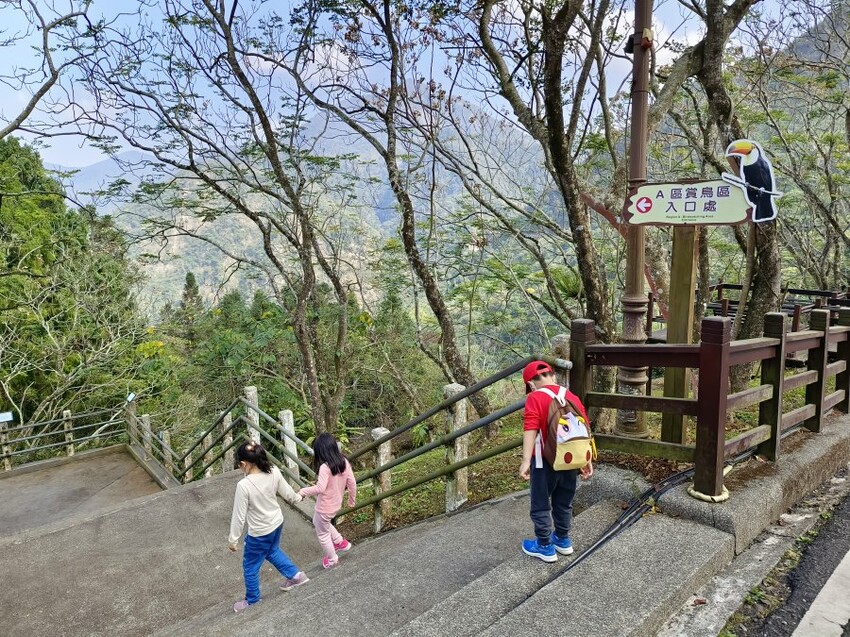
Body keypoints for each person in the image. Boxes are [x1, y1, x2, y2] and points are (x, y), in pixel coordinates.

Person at [519, 360, 593, 562]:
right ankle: (562, 539)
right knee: (564, 500)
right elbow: (584, 426)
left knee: (541, 502)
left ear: (531, 384)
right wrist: (586, 459)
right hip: (571, 460)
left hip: (544, 462)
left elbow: (530, 428)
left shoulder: (535, 397)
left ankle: (544, 545)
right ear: (554, 376)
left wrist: (526, 460)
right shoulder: (570, 396)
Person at [228, 441, 309, 612]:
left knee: (250, 566)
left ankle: (252, 599)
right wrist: (299, 497)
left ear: (243, 463)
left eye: (239, 465)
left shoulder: (244, 485)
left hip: (259, 532)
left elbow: (239, 516)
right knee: (272, 551)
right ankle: (296, 576)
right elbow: (288, 494)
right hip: (277, 523)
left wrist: (233, 539)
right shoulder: (273, 471)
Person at [298, 433, 357, 569]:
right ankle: (339, 541)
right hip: (335, 504)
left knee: (322, 533)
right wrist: (351, 500)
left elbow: (320, 488)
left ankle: (332, 559)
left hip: (324, 507)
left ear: (321, 452)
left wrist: (303, 491)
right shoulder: (343, 461)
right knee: (320, 522)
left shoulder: (325, 467)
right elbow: (352, 482)